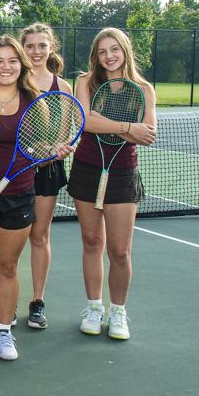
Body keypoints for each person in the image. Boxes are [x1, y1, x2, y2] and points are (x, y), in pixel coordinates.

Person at [0, 36, 72, 361]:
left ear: (21, 65)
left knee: (7, 267)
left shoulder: (36, 103)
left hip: (19, 195)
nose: (6, 67)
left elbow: (38, 153)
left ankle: (4, 331)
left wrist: (52, 152)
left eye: (12, 61)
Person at [68, 27, 156, 340]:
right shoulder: (85, 82)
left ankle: (118, 311)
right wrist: (129, 127)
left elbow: (148, 134)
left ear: (125, 51)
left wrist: (104, 123)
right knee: (92, 242)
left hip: (122, 174)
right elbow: (85, 122)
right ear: (96, 55)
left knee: (120, 251)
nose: (109, 56)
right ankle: (94, 307)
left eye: (114, 49)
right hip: (87, 170)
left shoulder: (144, 89)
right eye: (103, 51)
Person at [19, 23, 74, 329]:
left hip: (48, 172)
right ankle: (8, 302)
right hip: (16, 168)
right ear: (22, 48)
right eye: (30, 45)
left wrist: (56, 149)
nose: (36, 51)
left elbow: (63, 135)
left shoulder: (63, 88)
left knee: (39, 236)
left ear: (51, 47)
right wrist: (32, 148)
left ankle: (37, 302)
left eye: (42, 45)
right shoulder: (13, 81)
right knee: (11, 239)